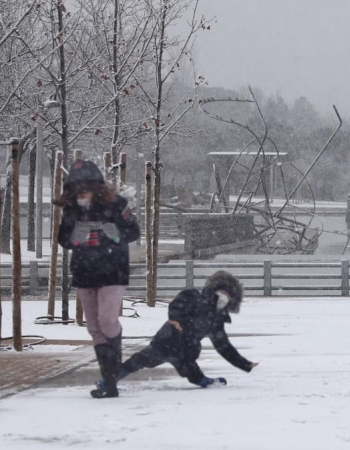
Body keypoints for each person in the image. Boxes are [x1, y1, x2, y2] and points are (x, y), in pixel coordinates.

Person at [57, 159, 141, 398]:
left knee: (107, 320)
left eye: (86, 188)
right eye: (76, 189)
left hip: (113, 270)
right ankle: (110, 381)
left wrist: (115, 235)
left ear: (96, 187)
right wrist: (75, 237)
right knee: (94, 327)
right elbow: (63, 239)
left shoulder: (116, 205)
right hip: (84, 271)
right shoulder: (72, 209)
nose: (81, 194)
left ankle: (113, 371)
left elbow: (133, 231)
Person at [100, 270, 259, 389]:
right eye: (222, 293)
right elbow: (177, 305)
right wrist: (176, 319)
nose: (223, 298)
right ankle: (108, 381)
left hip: (186, 353)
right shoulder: (194, 296)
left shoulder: (217, 321)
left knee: (195, 376)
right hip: (165, 342)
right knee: (136, 361)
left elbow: (224, 346)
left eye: (228, 296)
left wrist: (245, 364)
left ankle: (207, 382)